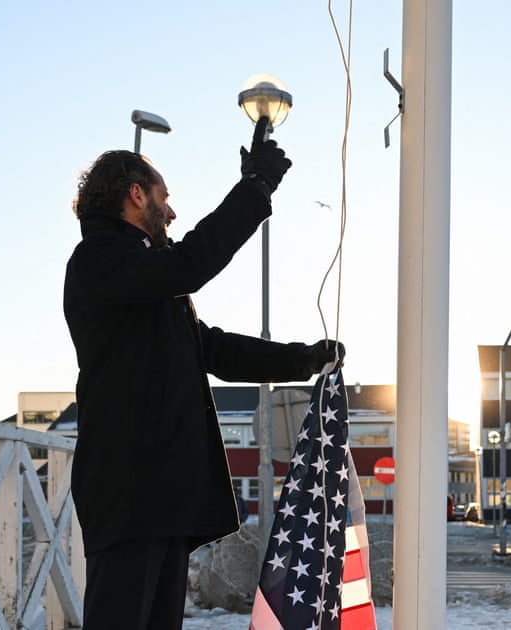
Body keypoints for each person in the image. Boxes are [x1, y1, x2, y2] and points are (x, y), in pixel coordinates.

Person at [64, 116, 344, 630]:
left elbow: (213, 349)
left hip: (161, 495)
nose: (171, 212)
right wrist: (254, 188)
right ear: (135, 195)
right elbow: (191, 263)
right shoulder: (98, 261)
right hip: (128, 493)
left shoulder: (148, 280)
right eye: (163, 197)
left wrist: (301, 360)